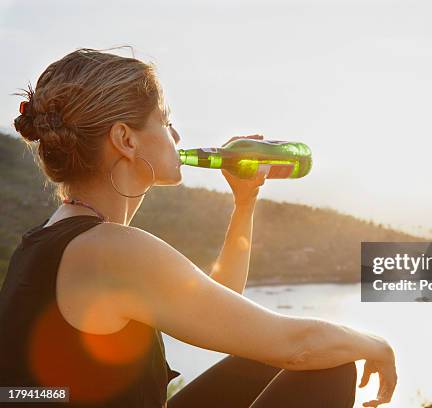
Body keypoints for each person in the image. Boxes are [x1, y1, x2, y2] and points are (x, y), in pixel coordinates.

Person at [0, 48, 397, 408]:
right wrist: (375, 345)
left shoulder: (57, 237)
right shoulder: (108, 248)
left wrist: (245, 202)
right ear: (125, 139)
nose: (177, 136)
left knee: (264, 360)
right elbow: (299, 348)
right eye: (165, 120)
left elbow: (222, 305)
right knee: (331, 363)